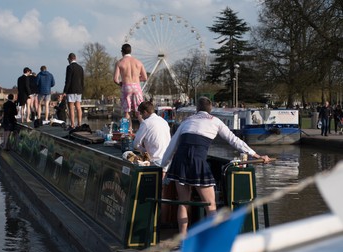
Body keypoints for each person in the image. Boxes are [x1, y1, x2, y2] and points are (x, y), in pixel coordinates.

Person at [161, 96, 271, 236]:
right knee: (210, 205)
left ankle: (182, 238)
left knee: (183, 202)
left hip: (180, 162)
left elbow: (172, 145)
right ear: (211, 109)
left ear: (197, 109)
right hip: (198, 162)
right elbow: (234, 140)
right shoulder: (216, 122)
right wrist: (255, 155)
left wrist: (163, 166)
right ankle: (211, 239)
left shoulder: (186, 121)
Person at [113, 43, 148, 132]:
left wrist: (121, 83)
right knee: (139, 111)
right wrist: (136, 79)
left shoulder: (120, 62)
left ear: (122, 52)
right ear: (131, 51)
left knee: (127, 112)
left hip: (126, 87)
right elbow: (145, 78)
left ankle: (128, 131)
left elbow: (115, 79)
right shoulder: (138, 62)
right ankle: (146, 129)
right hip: (136, 87)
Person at [133, 101, 171, 167]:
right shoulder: (164, 122)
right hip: (167, 160)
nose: (141, 117)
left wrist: (144, 150)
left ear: (145, 112)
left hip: (155, 160)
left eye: (141, 114)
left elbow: (136, 144)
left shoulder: (146, 123)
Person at [63, 53, 84, 129]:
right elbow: (82, 80)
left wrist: (65, 91)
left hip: (71, 90)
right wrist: (82, 89)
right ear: (75, 58)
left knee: (71, 108)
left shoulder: (69, 67)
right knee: (78, 107)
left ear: (69, 59)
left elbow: (68, 80)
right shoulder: (80, 68)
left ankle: (72, 125)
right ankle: (79, 124)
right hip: (79, 90)